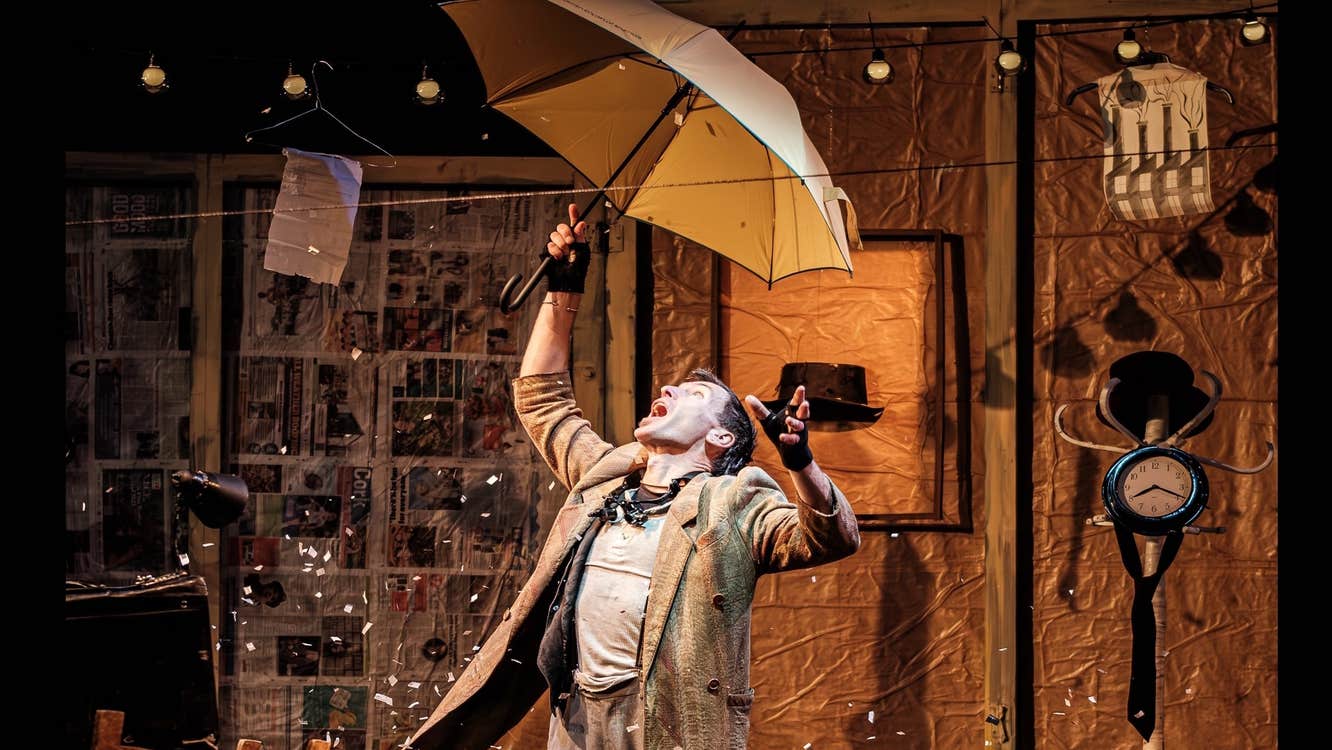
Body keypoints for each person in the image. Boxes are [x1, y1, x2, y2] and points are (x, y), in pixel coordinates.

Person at [409, 205, 861, 750]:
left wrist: (801, 465)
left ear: (719, 440)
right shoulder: (605, 476)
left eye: (693, 395)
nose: (668, 391)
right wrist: (564, 287)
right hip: (578, 713)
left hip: (670, 720)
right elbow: (543, 399)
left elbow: (829, 537)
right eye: (670, 388)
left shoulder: (735, 501)